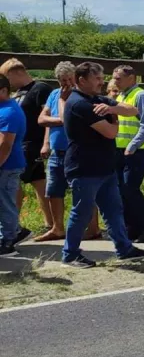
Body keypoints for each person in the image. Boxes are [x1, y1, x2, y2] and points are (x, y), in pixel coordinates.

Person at [59, 62, 144, 268]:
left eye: (103, 78)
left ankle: (124, 249)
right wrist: (115, 117)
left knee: (113, 210)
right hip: (84, 168)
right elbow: (111, 132)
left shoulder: (97, 99)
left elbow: (133, 109)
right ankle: (70, 254)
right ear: (82, 80)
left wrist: (111, 108)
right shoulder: (79, 104)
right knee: (82, 212)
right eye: (97, 79)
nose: (103, 83)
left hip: (105, 167)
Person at [0, 60, 54, 238]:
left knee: (25, 182)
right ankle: (40, 223)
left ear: (16, 72)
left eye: (7, 78)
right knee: (29, 184)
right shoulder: (18, 93)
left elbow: (48, 116)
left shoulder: (40, 89)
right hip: (22, 142)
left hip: (34, 142)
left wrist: (46, 142)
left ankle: (18, 226)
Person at [108, 65, 144, 243]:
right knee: (122, 190)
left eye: (119, 78)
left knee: (130, 188)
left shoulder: (141, 95)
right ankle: (132, 228)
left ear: (132, 78)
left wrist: (133, 145)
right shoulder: (121, 95)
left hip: (137, 150)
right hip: (120, 149)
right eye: (114, 78)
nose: (115, 81)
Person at [35, 62, 77, 243]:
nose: (66, 83)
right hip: (56, 150)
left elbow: (71, 120)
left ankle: (91, 228)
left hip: (75, 150)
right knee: (53, 191)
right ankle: (57, 228)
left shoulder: (79, 95)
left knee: (81, 190)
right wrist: (46, 143)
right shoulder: (54, 94)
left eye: (69, 79)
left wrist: (58, 120)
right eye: (62, 80)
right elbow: (42, 119)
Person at [0, 75, 28, 254]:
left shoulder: (9, 112)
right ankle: (16, 231)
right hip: (5, 165)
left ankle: (8, 242)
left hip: (7, 166)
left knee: (5, 204)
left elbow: (5, 145)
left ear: (3, 90)